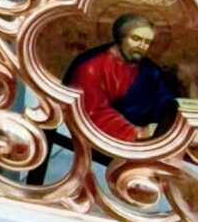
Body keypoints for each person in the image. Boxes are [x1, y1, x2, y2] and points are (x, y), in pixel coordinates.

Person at [64, 13, 181, 145]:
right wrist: (136, 132)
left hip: (145, 141)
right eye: (136, 39)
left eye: (147, 42)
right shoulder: (91, 67)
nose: (142, 46)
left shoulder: (149, 69)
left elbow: (163, 99)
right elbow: (93, 112)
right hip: (100, 140)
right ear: (121, 37)